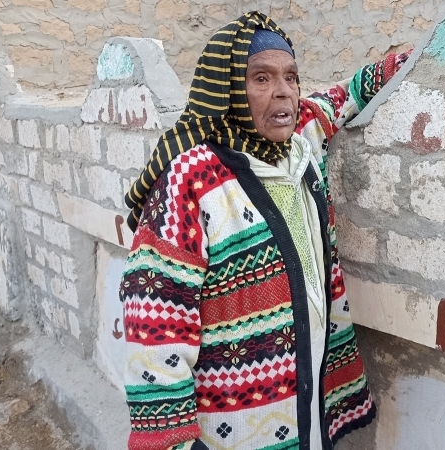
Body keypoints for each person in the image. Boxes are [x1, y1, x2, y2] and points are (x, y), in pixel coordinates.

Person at [119, 11, 410, 450]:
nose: (283, 91)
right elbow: (155, 323)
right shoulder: (190, 181)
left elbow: (343, 96)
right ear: (229, 90)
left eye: (291, 77)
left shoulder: (299, 145)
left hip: (305, 402)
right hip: (234, 427)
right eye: (261, 78)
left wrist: (413, 57)